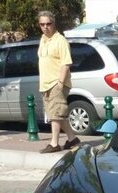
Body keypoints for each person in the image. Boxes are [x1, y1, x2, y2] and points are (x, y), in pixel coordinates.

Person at [37, 10, 80, 153]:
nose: (45, 27)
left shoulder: (60, 40)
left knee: (55, 115)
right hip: (45, 84)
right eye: (42, 24)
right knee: (56, 114)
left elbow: (66, 63)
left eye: (48, 24)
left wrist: (60, 83)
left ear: (54, 23)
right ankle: (72, 139)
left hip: (57, 82)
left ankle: (54, 143)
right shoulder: (43, 40)